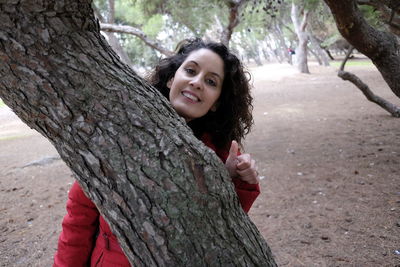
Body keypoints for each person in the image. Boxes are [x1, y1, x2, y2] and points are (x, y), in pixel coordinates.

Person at [54, 38, 260, 267]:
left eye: (211, 81)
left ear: (216, 103)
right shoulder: (119, 132)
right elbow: (79, 219)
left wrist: (233, 180)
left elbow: (221, 232)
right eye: (191, 71)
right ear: (172, 79)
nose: (197, 82)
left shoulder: (219, 155)